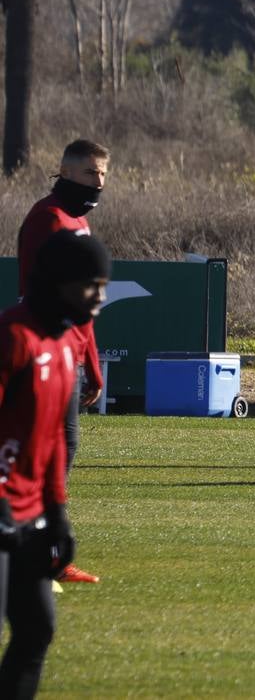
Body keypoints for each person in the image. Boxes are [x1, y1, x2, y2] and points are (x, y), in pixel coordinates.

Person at [0, 231, 109, 696]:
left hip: (30, 515)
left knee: (38, 628)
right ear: (61, 283)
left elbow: (52, 445)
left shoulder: (67, 343)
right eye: (91, 286)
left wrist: (58, 516)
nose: (100, 298)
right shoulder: (13, 335)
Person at [15, 139, 110, 584]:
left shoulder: (78, 221)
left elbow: (83, 305)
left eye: (104, 174)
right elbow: (54, 295)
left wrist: (90, 362)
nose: (100, 182)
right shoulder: (50, 218)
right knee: (35, 448)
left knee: (63, 448)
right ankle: (31, 547)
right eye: (92, 173)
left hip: (67, 351)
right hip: (42, 350)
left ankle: (48, 550)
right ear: (66, 172)